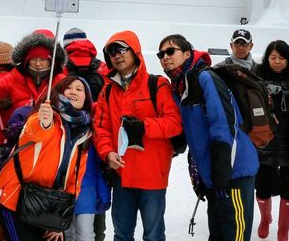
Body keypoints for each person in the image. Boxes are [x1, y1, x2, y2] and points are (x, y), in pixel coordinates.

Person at [158, 34, 258, 241]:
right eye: (161, 54)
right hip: (214, 176)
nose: (165, 57)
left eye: (170, 51)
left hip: (235, 173)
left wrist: (222, 175)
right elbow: (192, 137)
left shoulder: (205, 78)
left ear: (187, 54)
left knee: (235, 235)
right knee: (218, 234)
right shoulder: (180, 88)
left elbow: (224, 126)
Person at [93, 30, 182, 241]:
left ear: (135, 52)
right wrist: (107, 153)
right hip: (122, 175)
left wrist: (143, 126)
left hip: (153, 175)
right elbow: (101, 129)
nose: (117, 55)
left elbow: (174, 124)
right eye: (111, 51)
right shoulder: (107, 91)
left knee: (153, 235)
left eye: (121, 49)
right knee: (122, 235)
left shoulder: (157, 84)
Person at [0, 76, 93, 241]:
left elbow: (75, 181)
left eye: (79, 89)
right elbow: (33, 133)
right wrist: (44, 122)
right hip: (16, 197)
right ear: (59, 92)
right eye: (69, 88)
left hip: (48, 206)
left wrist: (59, 218)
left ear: (86, 99)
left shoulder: (84, 133)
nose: (74, 91)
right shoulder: (43, 115)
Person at [254, 40, 289, 241]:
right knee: (262, 186)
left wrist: (283, 101)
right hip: (264, 140)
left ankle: (283, 230)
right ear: (267, 59)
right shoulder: (257, 78)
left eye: (281, 58)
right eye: (273, 57)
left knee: (288, 187)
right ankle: (264, 218)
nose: (277, 62)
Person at [62, 28, 110, 241]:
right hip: (87, 189)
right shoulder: (103, 69)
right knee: (89, 232)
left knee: (70, 232)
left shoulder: (62, 72)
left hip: (77, 188)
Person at [0, 30, 66, 143]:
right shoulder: (15, 77)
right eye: (34, 59)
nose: (38, 64)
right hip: (21, 139)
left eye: (43, 59)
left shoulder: (61, 81)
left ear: (51, 61)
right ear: (27, 61)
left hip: (51, 139)